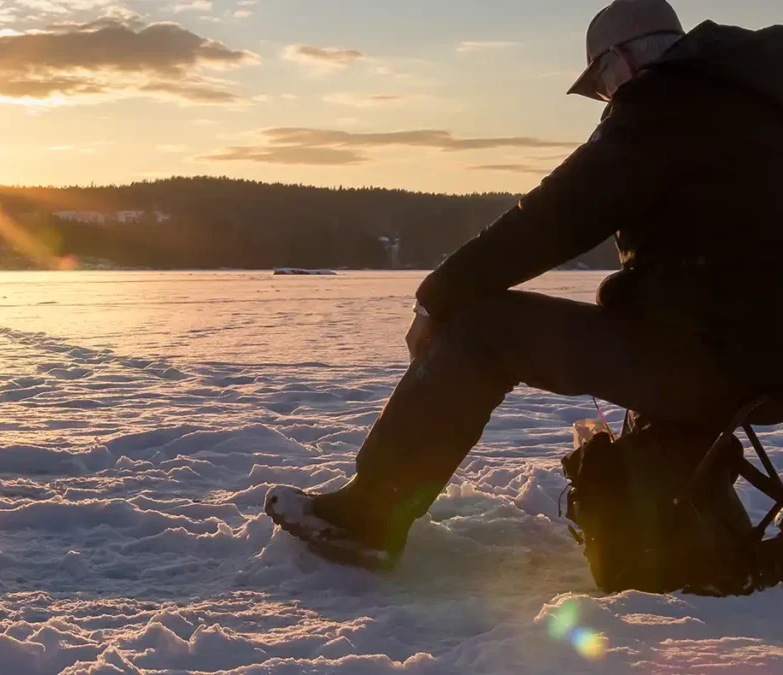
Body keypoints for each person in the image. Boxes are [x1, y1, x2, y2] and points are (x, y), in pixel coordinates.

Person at [266, 0, 783, 567]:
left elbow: (553, 218)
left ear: (622, 60)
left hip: (718, 361)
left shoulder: (670, 104)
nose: (608, 101)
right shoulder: (757, 97)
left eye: (602, 86)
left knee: (484, 329)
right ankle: (682, 531)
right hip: (761, 359)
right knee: (655, 341)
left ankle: (368, 517)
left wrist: (437, 297)